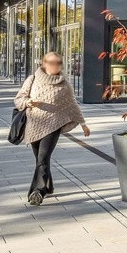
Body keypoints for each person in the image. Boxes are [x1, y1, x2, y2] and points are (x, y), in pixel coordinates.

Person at [13, 51, 90, 206]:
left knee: (42, 158)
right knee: (41, 160)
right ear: (44, 63)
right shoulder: (32, 79)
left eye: (58, 63)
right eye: (51, 62)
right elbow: (19, 99)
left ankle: (38, 191)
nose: (55, 66)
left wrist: (83, 123)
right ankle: (48, 186)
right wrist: (28, 102)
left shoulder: (65, 84)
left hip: (53, 126)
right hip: (33, 125)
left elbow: (72, 104)